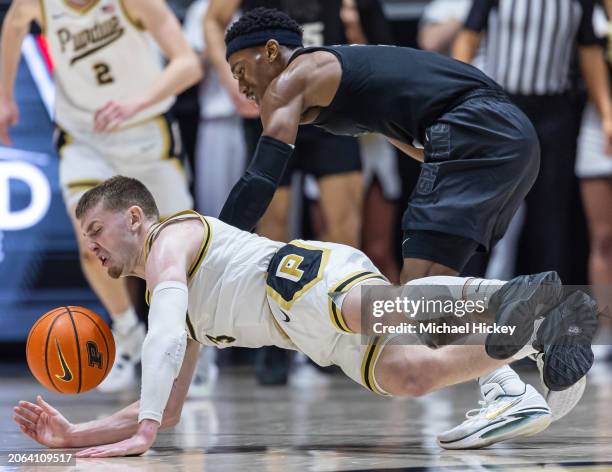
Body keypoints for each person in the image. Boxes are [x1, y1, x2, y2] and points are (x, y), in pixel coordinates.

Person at [13, 176, 598, 455]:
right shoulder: (171, 302)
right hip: (309, 333)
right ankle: (531, 334)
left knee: (372, 310)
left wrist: (139, 435)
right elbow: (164, 409)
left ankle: (516, 299)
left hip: (302, 281)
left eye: (96, 230)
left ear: (135, 218)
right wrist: (74, 435)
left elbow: (163, 336)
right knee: (408, 376)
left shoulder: (170, 238)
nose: (91, 245)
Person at [0, 0, 202, 392]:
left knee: (179, 253)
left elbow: (187, 64)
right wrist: (5, 96)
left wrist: (136, 103)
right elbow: (13, 24)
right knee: (90, 243)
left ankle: (195, 349)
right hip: (84, 138)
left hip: (146, 132)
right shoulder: (40, 3)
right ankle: (126, 336)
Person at [205, 0, 365, 386]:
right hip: (274, 99)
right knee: (271, 228)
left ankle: (333, 338)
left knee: (344, 227)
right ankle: (277, 344)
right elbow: (213, 20)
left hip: (328, 99)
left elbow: (366, 37)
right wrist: (233, 83)